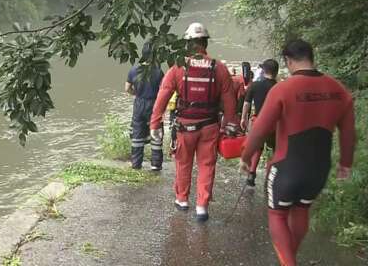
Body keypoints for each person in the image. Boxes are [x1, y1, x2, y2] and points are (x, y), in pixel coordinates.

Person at [241, 40, 356, 266]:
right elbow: (349, 134)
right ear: (312, 58)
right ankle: (289, 259)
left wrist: (246, 156)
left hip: (286, 168)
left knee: (277, 215)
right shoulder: (339, 91)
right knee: (301, 208)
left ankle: (288, 262)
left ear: (288, 61)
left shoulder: (283, 89)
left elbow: (260, 129)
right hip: (319, 170)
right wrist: (346, 164)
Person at [149, 22, 237, 222]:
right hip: (209, 126)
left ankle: (182, 200)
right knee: (207, 164)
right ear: (205, 42)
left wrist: (155, 123)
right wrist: (231, 124)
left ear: (187, 44)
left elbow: (162, 97)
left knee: (183, 162)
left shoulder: (178, 67)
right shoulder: (219, 67)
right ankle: (202, 206)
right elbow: (229, 99)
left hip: (185, 127)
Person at [240, 58, 279, 187]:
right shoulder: (279, 87)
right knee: (275, 150)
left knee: (257, 147)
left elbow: (246, 103)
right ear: (276, 72)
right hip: (274, 124)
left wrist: (243, 118)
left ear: (263, 70)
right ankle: (271, 177)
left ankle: (251, 174)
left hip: (258, 122)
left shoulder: (255, 85)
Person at [126, 43, 165, 170]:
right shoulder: (158, 71)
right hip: (154, 104)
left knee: (137, 133)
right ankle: (156, 164)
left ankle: (136, 164)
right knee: (156, 133)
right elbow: (163, 91)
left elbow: (127, 88)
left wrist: (137, 94)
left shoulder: (133, 69)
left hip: (139, 103)